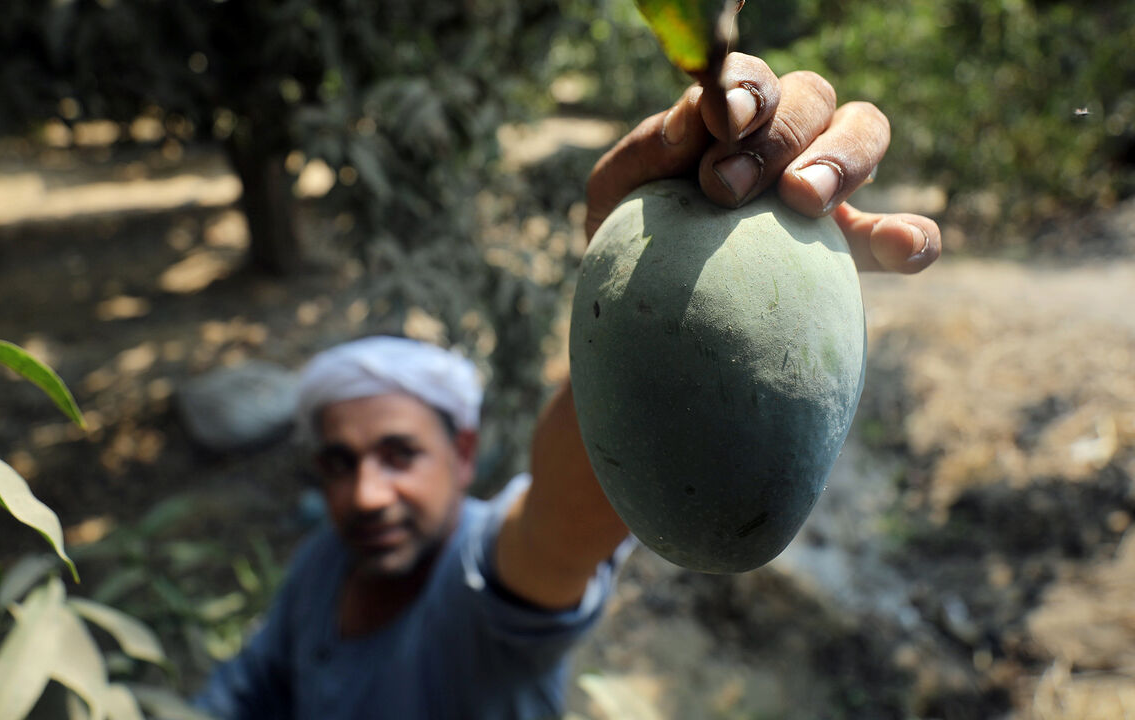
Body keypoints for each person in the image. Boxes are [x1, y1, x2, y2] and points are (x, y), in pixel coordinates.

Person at [194, 53, 942, 720]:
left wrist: (637, 291)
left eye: (398, 454)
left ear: (462, 453)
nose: (365, 494)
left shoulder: (483, 599)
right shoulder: (323, 571)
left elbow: (562, 517)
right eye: (337, 463)